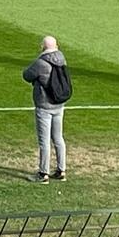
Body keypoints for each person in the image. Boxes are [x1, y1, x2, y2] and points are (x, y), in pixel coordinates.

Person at [23, 36, 69, 183]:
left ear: (43, 47)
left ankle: (43, 174)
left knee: (44, 141)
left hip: (44, 105)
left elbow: (27, 75)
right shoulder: (62, 59)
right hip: (59, 104)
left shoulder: (41, 63)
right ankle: (61, 170)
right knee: (58, 138)